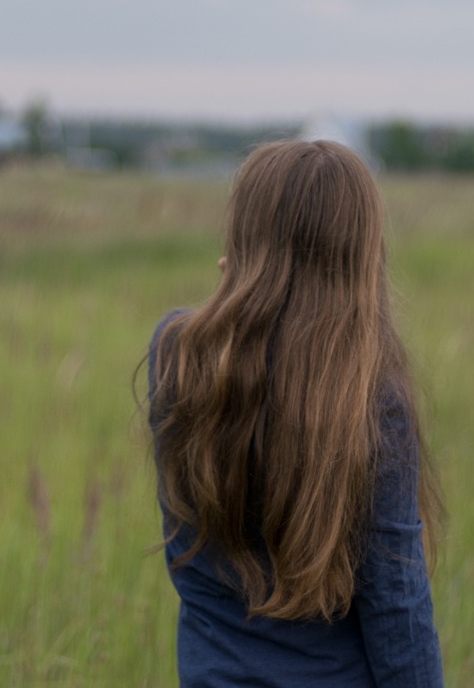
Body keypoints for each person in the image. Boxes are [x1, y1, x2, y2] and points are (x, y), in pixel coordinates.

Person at [146, 140, 444, 687]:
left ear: (243, 239)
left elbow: (187, 556)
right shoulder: (372, 402)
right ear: (358, 255)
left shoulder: (177, 356)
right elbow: (397, 607)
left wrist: (237, 293)